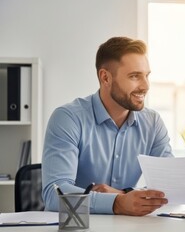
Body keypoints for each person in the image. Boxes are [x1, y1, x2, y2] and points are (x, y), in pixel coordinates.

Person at [42, 37, 173, 216]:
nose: (145, 86)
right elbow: (54, 195)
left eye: (146, 76)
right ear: (105, 78)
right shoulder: (68, 118)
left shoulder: (152, 122)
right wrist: (118, 203)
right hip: (78, 226)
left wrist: (121, 195)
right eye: (135, 76)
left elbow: (170, 185)